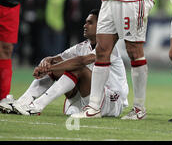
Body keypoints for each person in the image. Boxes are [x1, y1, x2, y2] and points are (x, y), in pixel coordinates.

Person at [0, 9, 128, 118]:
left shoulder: (109, 47)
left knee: (77, 68)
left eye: (90, 23)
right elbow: (56, 59)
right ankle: (24, 101)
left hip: (112, 101)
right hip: (89, 97)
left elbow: (81, 61)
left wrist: (51, 67)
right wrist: (46, 62)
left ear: (100, 26)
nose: (85, 25)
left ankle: (36, 106)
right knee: (58, 66)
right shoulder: (83, 46)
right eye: (85, 22)